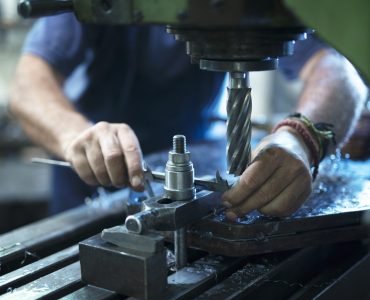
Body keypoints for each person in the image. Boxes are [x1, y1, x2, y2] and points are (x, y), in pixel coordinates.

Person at [9, 13, 367, 219]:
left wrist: (299, 137)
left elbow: (338, 70)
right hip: (96, 197)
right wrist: (75, 136)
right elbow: (28, 86)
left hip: (200, 187)